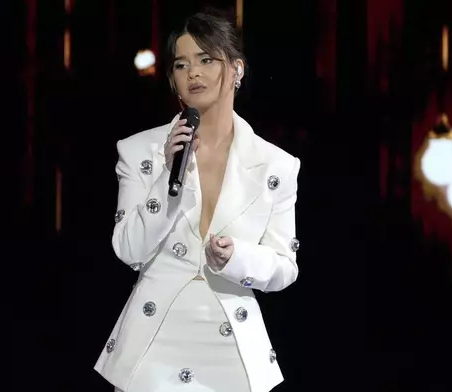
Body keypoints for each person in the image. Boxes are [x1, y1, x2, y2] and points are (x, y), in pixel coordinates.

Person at [94, 9, 301, 392]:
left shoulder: (277, 165)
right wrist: (164, 178)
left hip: (231, 348)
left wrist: (236, 257)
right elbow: (128, 249)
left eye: (207, 59)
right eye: (181, 64)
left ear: (236, 69)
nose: (193, 72)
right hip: (152, 346)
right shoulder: (140, 151)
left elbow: (285, 268)